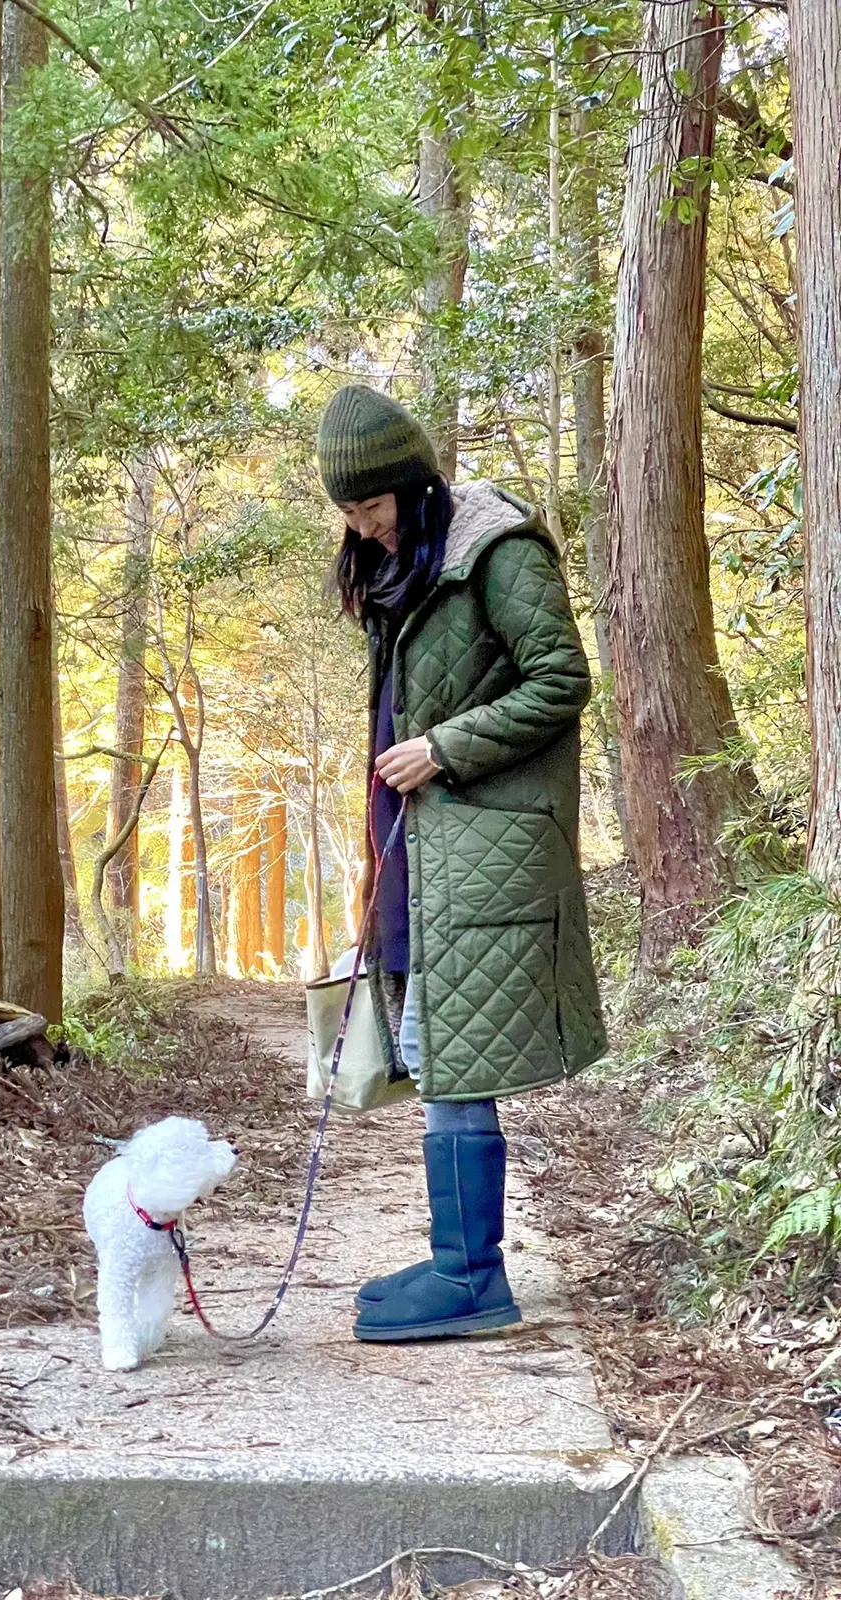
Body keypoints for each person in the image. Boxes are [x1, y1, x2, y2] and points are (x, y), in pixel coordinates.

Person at [316, 384, 607, 1343]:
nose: (364, 528)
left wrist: (446, 747)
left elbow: (562, 680)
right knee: (430, 1041)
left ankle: (476, 1279)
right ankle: (457, 1259)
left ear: (417, 484)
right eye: (350, 513)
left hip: (483, 836)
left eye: (374, 507)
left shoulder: (497, 547)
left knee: (456, 1051)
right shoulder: (397, 567)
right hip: (417, 838)